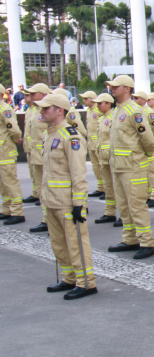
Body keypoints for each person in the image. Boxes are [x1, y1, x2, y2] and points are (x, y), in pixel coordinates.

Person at [35, 92, 96, 299]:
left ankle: (86, 283)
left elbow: (78, 173)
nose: (42, 112)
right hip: (51, 200)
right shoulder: (49, 134)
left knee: (76, 243)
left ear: (59, 110)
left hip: (67, 202)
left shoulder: (70, 136)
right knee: (58, 243)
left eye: (46, 108)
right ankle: (69, 277)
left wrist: (79, 203)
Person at [104, 75, 154, 260]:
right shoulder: (117, 110)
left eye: (116, 86)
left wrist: (143, 156)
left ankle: (147, 243)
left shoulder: (134, 111)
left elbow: (147, 139)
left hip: (133, 166)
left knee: (136, 206)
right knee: (124, 206)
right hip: (118, 166)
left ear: (127, 88)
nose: (112, 89)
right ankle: (130, 239)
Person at [22, 84, 51, 232]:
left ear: (43, 94)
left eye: (34, 93)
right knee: (41, 189)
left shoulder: (50, 110)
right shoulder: (34, 110)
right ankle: (46, 219)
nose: (31, 96)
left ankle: (51, 220)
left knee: (49, 189)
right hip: (36, 155)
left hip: (47, 156)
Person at [0, 83, 25, 224]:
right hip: (1, 152)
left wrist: (16, 139)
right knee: (2, 184)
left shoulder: (5, 109)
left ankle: (17, 212)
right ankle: (6, 209)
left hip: (6, 151)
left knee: (10, 182)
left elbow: (14, 129)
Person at [92, 94, 118, 224]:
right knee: (108, 187)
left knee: (118, 188)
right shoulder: (102, 118)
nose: (98, 106)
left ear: (108, 103)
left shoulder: (114, 117)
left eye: (100, 103)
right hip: (103, 157)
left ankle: (125, 216)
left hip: (113, 157)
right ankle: (109, 212)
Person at [79, 91, 105, 198]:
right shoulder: (89, 110)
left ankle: (107, 188)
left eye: (86, 98)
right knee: (95, 166)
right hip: (91, 143)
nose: (84, 101)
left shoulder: (98, 110)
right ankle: (100, 187)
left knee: (102, 166)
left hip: (99, 143)